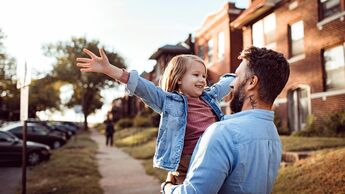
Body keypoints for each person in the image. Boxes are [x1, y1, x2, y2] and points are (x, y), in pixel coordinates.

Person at [76, 49, 236, 183]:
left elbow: (227, 83)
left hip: (212, 156)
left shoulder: (209, 96)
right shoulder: (169, 101)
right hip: (186, 163)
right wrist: (110, 70)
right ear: (179, 78)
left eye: (204, 76)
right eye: (196, 75)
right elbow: (142, 87)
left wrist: (242, 72)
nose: (202, 80)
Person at [161, 46, 290, 194]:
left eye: (237, 77)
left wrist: (167, 187)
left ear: (251, 82)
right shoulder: (273, 136)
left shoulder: (222, 132)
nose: (231, 84)